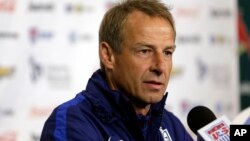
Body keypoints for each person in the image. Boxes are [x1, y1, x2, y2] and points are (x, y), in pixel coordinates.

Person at [41, 0, 194, 141]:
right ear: (108, 55)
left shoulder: (171, 126)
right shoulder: (73, 122)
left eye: (167, 52)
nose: (160, 66)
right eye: (145, 51)